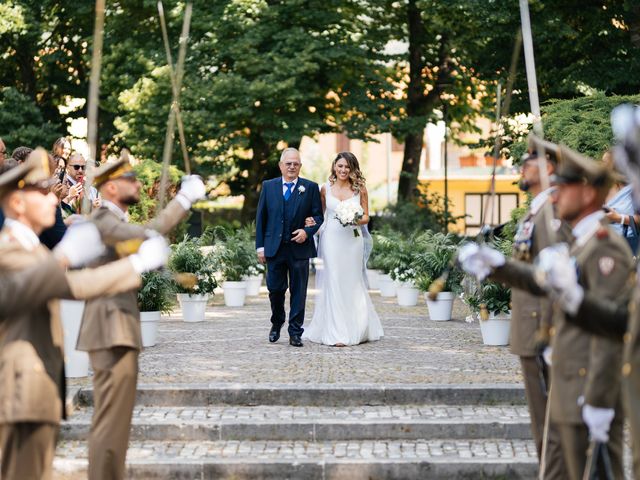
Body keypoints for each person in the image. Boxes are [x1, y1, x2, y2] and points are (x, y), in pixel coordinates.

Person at [459, 142, 632, 480]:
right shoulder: (583, 244)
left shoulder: (604, 248)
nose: (554, 197)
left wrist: (598, 397)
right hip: (566, 372)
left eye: (562, 189)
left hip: (586, 383)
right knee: (556, 463)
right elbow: (544, 281)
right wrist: (497, 266)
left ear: (586, 194)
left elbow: (611, 329)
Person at [0, 150, 170, 480]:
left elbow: (76, 284)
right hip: (19, 393)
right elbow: (18, 291)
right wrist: (63, 256)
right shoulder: (8, 249)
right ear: (18, 203)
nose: (54, 199)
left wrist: (134, 265)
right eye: (44, 192)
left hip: (37, 394)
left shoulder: (33, 249)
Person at [76, 158, 206, 480]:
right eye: (130, 178)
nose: (137, 184)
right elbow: (148, 233)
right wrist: (184, 199)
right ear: (111, 186)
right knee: (110, 422)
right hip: (110, 329)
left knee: (116, 423)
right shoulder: (104, 219)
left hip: (116, 328)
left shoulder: (112, 218)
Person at [488, 136, 570, 478]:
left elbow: (553, 276)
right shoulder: (536, 208)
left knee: (548, 417)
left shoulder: (549, 210)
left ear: (549, 168)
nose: (522, 167)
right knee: (542, 419)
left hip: (541, 325)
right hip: (529, 323)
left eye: (529, 161)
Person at [302, 152, 383, 346]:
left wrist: (353, 218)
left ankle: (357, 326)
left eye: (347, 167)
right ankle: (337, 331)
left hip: (353, 240)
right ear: (334, 167)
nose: (343, 170)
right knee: (334, 279)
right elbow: (320, 215)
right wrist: (314, 224)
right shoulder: (325, 189)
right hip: (331, 239)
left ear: (352, 169)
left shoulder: (360, 189)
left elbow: (366, 217)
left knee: (352, 281)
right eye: (340, 166)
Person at [255, 147, 323, 347]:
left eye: (296, 163)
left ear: (300, 166)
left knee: (299, 291)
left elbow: (318, 217)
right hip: (274, 248)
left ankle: (295, 332)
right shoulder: (268, 186)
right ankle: (277, 322)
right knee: (275, 289)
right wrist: (260, 247)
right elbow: (261, 218)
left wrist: (307, 232)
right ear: (281, 166)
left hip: (299, 249)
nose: (292, 167)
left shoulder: (310, 188)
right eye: (288, 163)